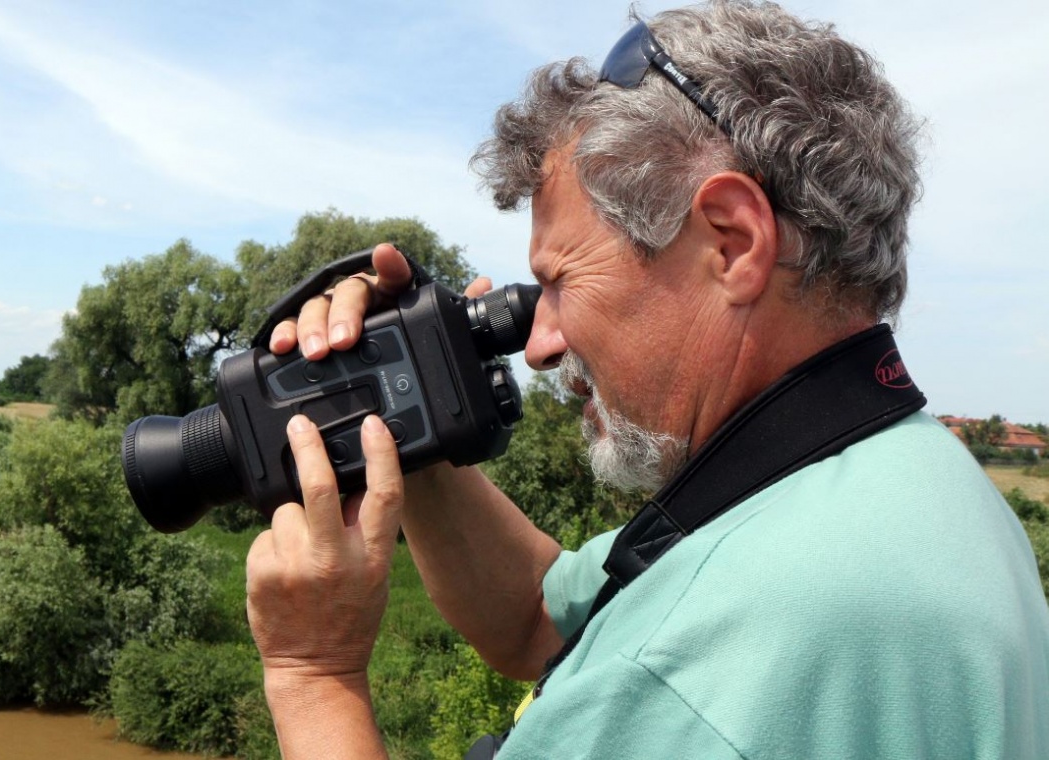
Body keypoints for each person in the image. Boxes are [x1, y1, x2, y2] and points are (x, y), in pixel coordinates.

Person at [244, 1, 1049, 757]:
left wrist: (313, 676)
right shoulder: (898, 488)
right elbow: (538, 619)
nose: (540, 344)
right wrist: (404, 405)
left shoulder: (725, 646)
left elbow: (653, 652)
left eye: (560, 280)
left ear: (732, 242)